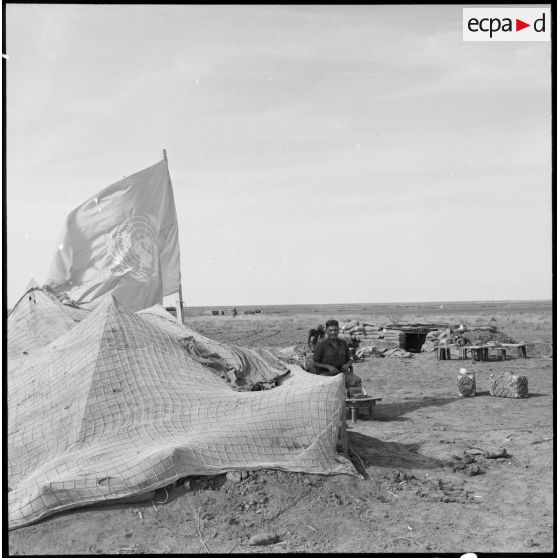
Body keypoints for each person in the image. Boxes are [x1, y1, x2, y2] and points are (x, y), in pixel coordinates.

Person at [312, 319, 362, 388]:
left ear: (338, 330)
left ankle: (353, 398)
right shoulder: (321, 344)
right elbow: (314, 363)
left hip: (342, 373)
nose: (333, 332)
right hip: (326, 374)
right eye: (330, 330)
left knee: (357, 380)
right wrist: (328, 367)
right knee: (330, 387)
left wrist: (347, 364)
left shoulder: (343, 343)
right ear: (326, 331)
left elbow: (350, 359)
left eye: (335, 330)